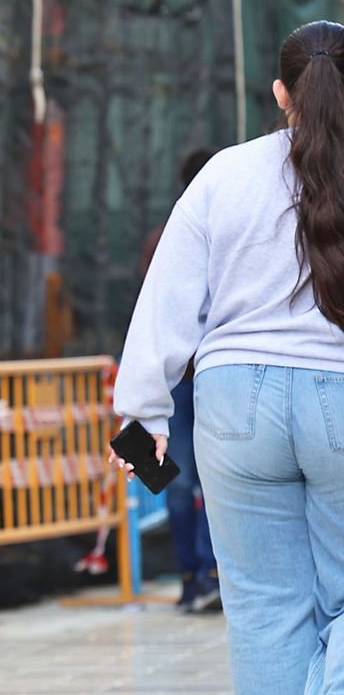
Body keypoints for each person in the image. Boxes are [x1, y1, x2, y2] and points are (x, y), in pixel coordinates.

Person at [114, 20, 344, 695]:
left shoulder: (224, 173)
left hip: (233, 401)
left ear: (280, 93)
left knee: (264, 603)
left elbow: (167, 298)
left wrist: (142, 413)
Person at [141, 147, 221, 614]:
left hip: (173, 379)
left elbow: (155, 314)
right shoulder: (222, 229)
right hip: (212, 377)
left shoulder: (163, 237)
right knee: (211, 480)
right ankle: (209, 575)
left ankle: (191, 579)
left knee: (174, 480)